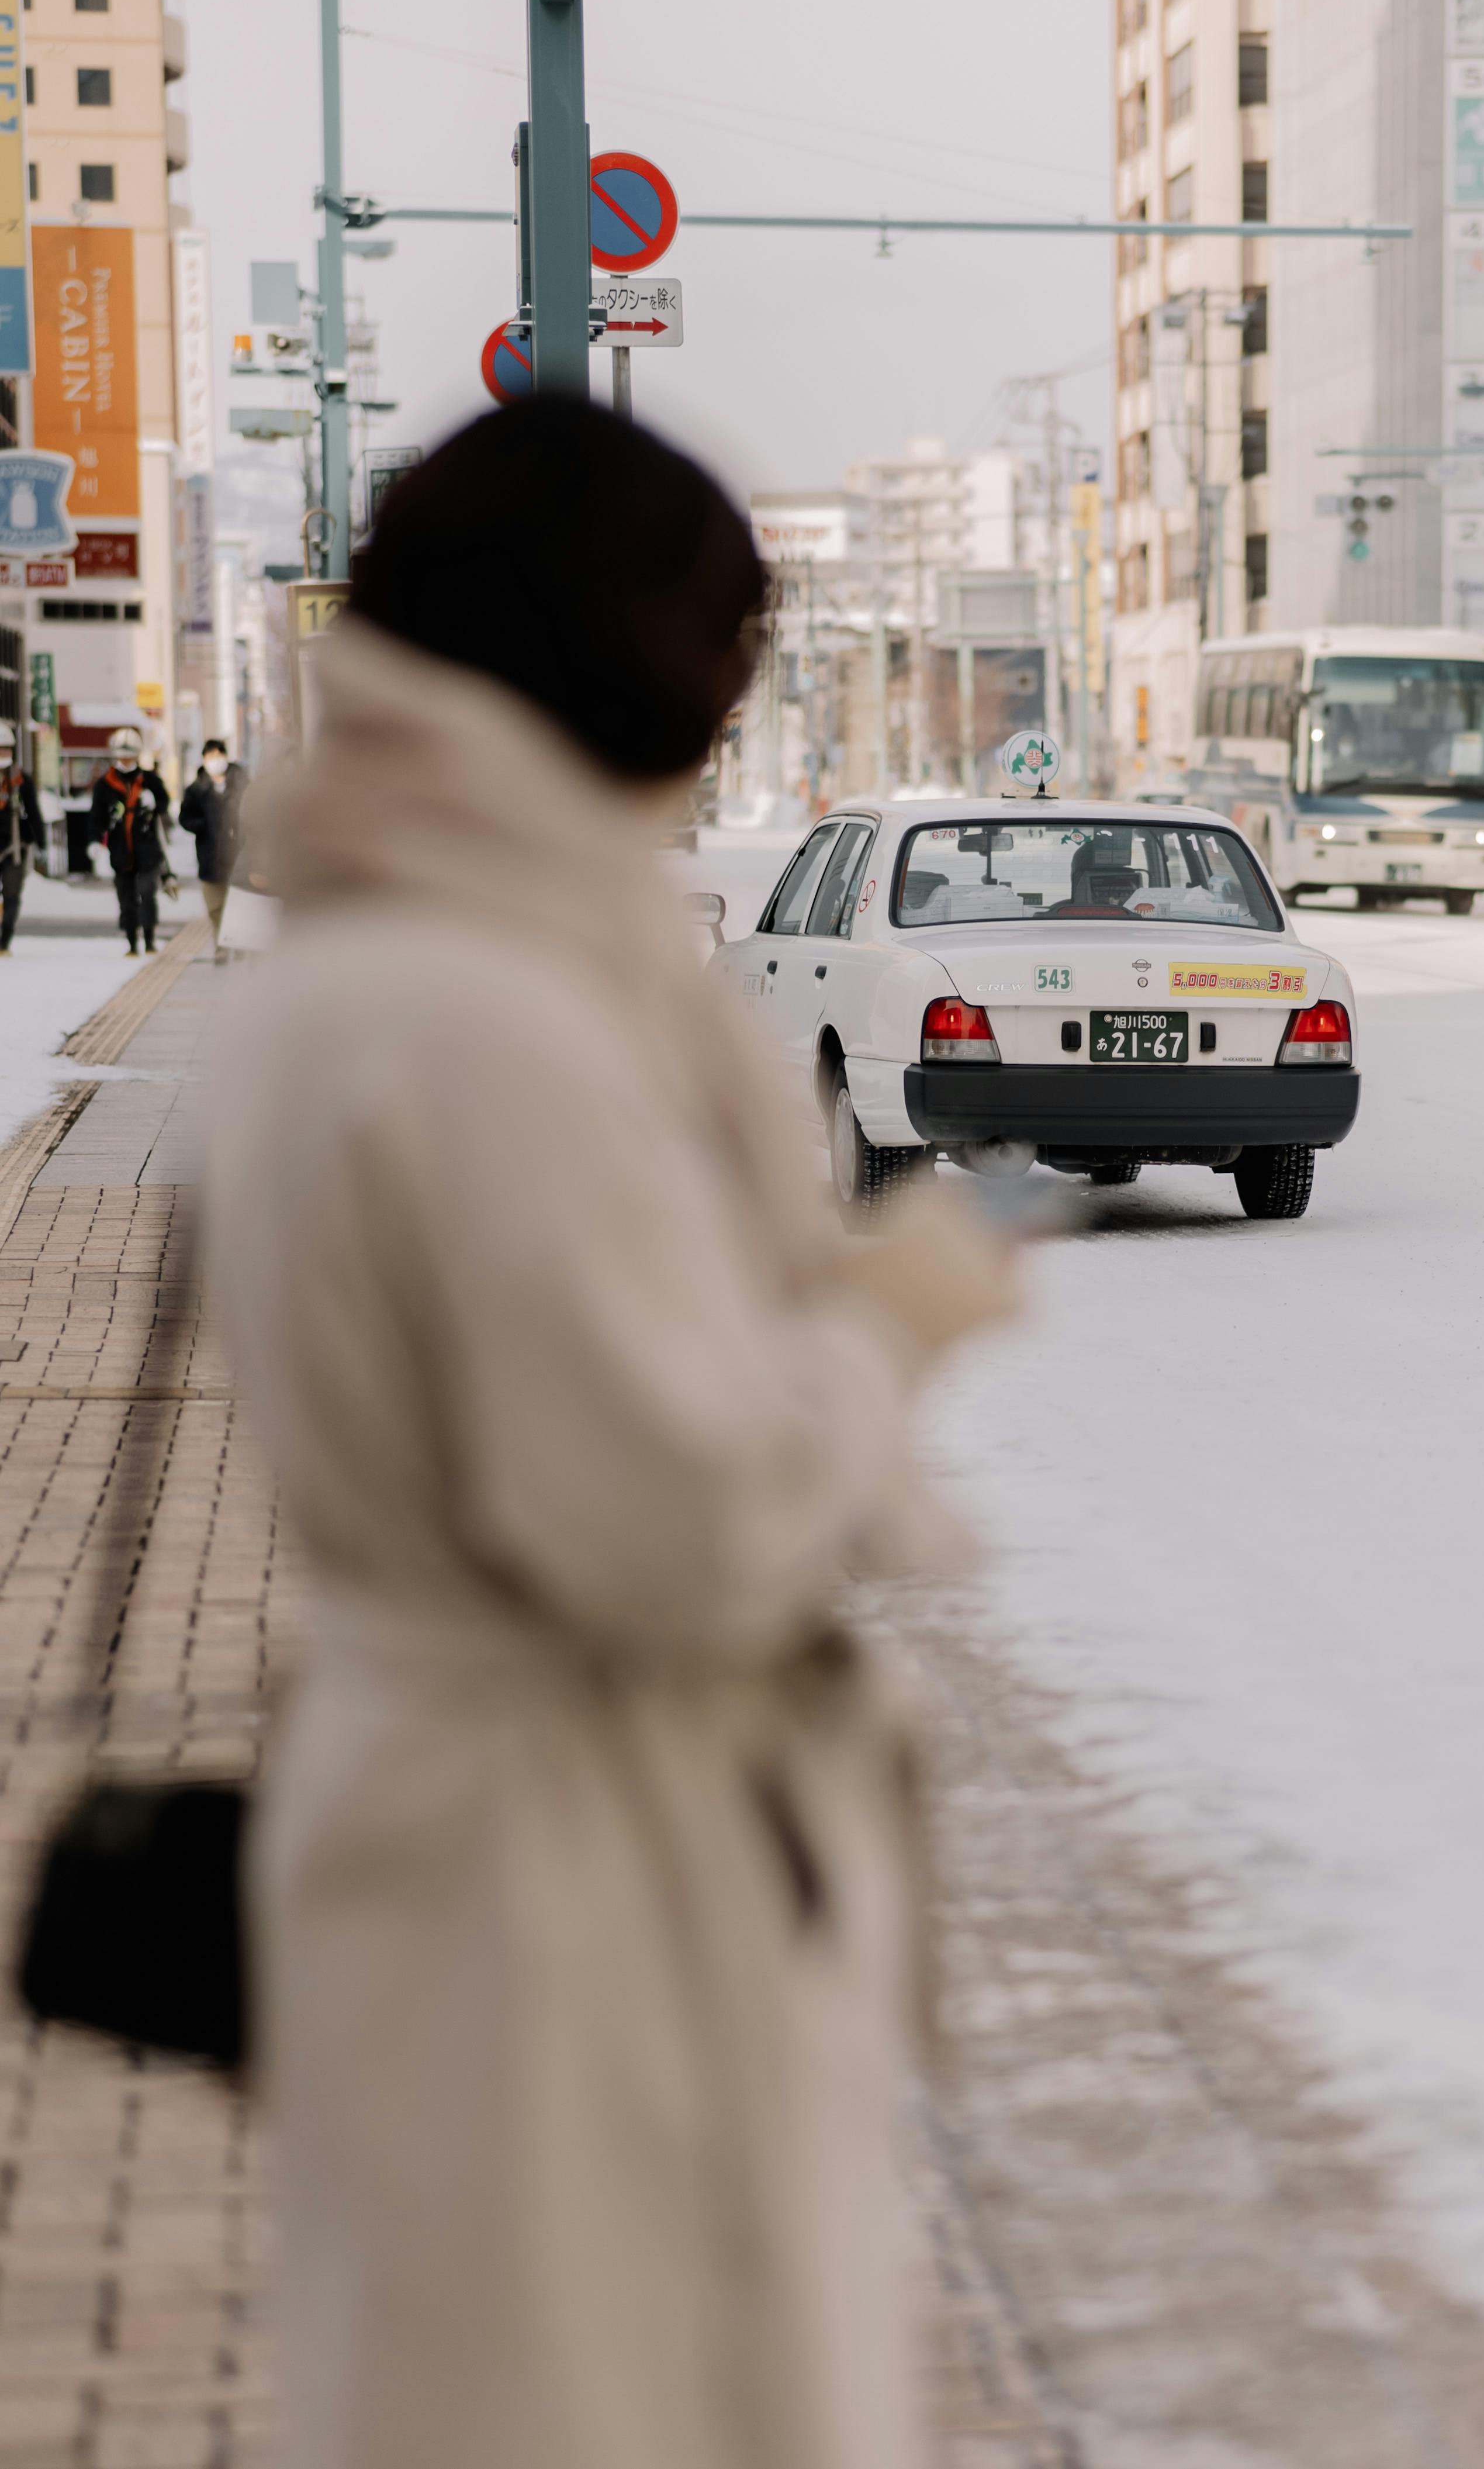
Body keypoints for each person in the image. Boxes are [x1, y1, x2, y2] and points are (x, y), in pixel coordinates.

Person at [207, 396, 1015, 2469]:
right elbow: (678, 1517)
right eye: (723, 647)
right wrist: (875, 1324)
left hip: (474, 1834)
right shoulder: (489, 1015)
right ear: (617, 653)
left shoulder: (373, 964)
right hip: (570, 1888)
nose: (732, 708)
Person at [91, 727, 169, 955]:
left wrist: (155, 801)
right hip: (120, 849)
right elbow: (97, 817)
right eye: (122, 754)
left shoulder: (149, 780)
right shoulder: (105, 784)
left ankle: (150, 938)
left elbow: (165, 804)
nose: (126, 759)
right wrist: (94, 841)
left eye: (130, 754)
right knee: (126, 898)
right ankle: (132, 942)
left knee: (147, 893)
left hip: (147, 848)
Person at [178, 737, 248, 957]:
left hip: (239, 855)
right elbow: (185, 817)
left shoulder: (242, 785)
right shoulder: (197, 790)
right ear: (204, 760)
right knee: (215, 907)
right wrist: (202, 826)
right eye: (211, 757)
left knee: (238, 904)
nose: (216, 761)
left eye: (219, 756)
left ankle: (237, 941)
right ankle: (222, 944)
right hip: (210, 855)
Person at [0, 729, 46, 955]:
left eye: (6, 749)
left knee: (11, 894)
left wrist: (41, 844)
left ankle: (4, 939)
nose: (3, 754)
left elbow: (34, 813)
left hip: (15, 847)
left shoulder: (21, 780)